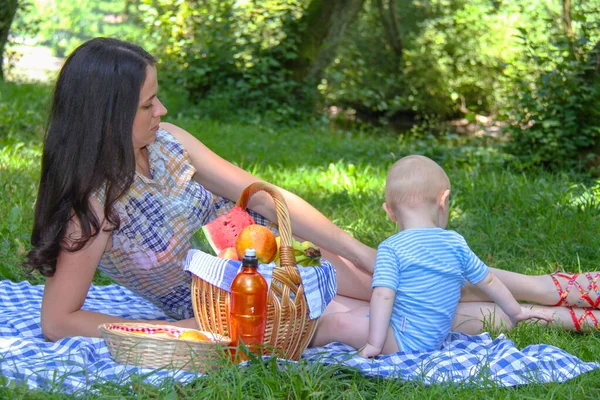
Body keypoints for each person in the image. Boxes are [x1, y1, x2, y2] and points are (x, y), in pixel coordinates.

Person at [26, 37, 600, 344]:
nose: (163, 109)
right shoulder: (91, 209)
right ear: (106, 116)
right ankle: (560, 318)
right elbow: (59, 320)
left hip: (277, 257)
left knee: (388, 274)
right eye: (148, 103)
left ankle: (562, 290)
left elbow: (261, 195)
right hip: (236, 306)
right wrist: (178, 333)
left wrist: (350, 245)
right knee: (366, 316)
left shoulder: (172, 141)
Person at [310, 155, 554, 356]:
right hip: (433, 338)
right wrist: (516, 311)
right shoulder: (455, 243)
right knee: (356, 315)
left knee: (339, 322)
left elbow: (383, 296)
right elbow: (488, 280)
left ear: (389, 212)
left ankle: (304, 342)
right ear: (443, 200)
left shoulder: (392, 248)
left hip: (402, 342)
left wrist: (375, 343)